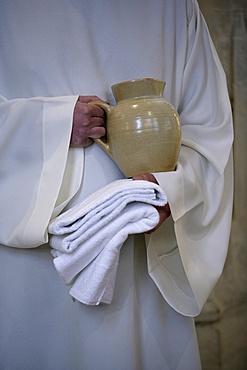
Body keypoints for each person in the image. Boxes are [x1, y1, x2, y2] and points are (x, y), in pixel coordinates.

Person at [0, 1, 233, 369]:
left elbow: (210, 132)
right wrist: (52, 125)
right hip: (33, 276)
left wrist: (171, 190)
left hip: (142, 262)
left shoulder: (175, 7)